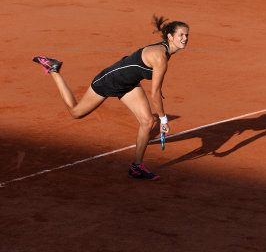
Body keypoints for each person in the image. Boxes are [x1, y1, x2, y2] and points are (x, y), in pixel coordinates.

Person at [33, 16, 189, 181]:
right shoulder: (161, 57)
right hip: (109, 81)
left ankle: (136, 167)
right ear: (170, 37)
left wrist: (158, 91)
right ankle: (53, 69)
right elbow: (154, 94)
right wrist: (163, 120)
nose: (185, 39)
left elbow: (151, 78)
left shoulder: (164, 52)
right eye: (181, 35)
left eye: (186, 35)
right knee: (76, 112)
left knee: (148, 122)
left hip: (128, 84)